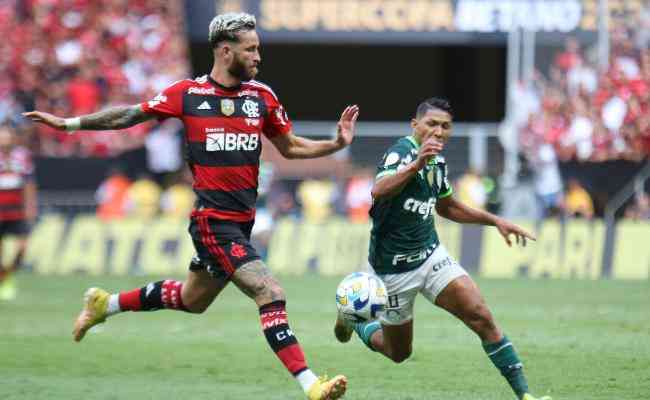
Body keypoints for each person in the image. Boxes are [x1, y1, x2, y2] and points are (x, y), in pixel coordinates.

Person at [24, 12, 358, 400]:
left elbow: (290, 146)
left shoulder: (261, 97)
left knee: (192, 300)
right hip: (213, 222)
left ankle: (105, 303)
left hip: (242, 221)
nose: (257, 57)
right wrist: (70, 124)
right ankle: (311, 384)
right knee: (269, 290)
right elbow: (129, 115)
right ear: (225, 50)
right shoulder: (187, 94)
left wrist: (335, 144)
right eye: (251, 49)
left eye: (258, 49)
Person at [333, 98, 551, 400]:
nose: (438, 131)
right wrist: (416, 164)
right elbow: (379, 191)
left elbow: (447, 207)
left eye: (445, 126)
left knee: (482, 317)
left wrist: (496, 220)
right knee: (398, 353)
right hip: (394, 270)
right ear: (415, 125)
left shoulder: (437, 161)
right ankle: (354, 319)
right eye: (431, 123)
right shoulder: (403, 151)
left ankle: (526, 396)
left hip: (431, 256)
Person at [0, 125, 37, 301]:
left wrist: (30, 207)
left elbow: (29, 183)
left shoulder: (22, 156)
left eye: (7, 136)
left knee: (22, 247)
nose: (4, 139)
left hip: (17, 209)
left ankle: (7, 276)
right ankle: (4, 282)